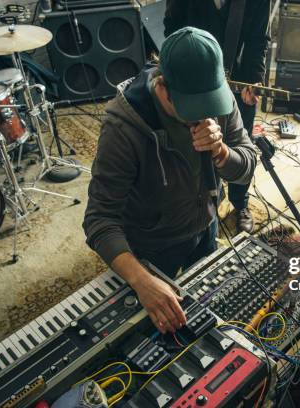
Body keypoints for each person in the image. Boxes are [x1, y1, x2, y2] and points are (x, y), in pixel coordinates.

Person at [83, 27, 256, 334]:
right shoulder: (123, 128)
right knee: (157, 328)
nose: (204, 115)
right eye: (192, 108)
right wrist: (141, 281)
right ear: (163, 88)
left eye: (210, 105)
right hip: (152, 244)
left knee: (210, 311)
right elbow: (100, 220)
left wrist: (221, 151)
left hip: (205, 224)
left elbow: (246, 164)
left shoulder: (219, 98)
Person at [164, 0, 270, 233]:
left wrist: (254, 78)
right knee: (195, 144)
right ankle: (201, 200)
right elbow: (172, 28)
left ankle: (240, 203)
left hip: (237, 80)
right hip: (191, 83)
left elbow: (258, 39)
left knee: (240, 144)